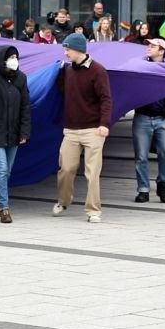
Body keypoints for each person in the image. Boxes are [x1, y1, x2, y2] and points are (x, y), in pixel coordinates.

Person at [53, 33, 112, 223]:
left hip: (93, 129)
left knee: (92, 172)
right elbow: (63, 90)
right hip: (71, 129)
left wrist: (104, 123)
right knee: (66, 168)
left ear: (78, 49)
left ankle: (93, 210)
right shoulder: (69, 70)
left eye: (68, 49)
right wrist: (58, 74)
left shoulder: (98, 70)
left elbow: (105, 99)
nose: (65, 53)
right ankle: (63, 201)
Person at [0, 45, 30, 223]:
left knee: (6, 171)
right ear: (2, 60)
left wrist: (24, 132)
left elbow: (25, 106)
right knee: (1, 169)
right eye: (10, 57)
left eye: (16, 57)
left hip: (14, 133)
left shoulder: (21, 79)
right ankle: (4, 208)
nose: (14, 60)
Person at [132, 38, 165, 203]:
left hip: (163, 118)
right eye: (149, 45)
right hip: (143, 116)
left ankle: (163, 184)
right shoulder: (141, 67)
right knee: (141, 156)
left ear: (162, 51)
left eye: (153, 46)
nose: (149, 48)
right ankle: (143, 189)